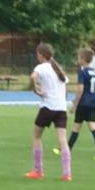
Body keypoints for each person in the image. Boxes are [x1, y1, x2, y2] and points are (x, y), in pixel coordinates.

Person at [25, 43, 72, 181]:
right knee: (63, 140)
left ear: (41, 54)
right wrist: (63, 100)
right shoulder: (58, 69)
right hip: (61, 108)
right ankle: (67, 173)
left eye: (37, 54)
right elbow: (65, 87)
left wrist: (36, 91)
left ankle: (38, 170)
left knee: (36, 136)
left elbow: (33, 77)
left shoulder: (41, 67)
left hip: (47, 107)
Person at [65, 47, 95, 160]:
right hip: (92, 103)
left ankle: (67, 149)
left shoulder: (82, 72)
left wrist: (75, 104)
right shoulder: (93, 72)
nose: (78, 59)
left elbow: (80, 89)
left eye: (79, 57)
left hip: (83, 103)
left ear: (83, 59)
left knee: (76, 126)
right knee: (92, 125)